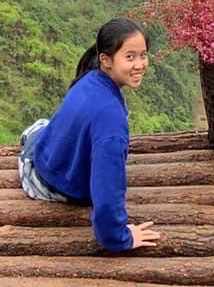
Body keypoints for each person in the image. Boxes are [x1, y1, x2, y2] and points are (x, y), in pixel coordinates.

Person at [17, 17, 160, 252]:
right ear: (106, 60)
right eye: (130, 57)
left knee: (40, 127)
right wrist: (120, 237)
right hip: (49, 183)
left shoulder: (90, 79)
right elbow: (107, 194)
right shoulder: (112, 123)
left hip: (50, 161)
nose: (140, 64)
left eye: (143, 55)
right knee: (38, 129)